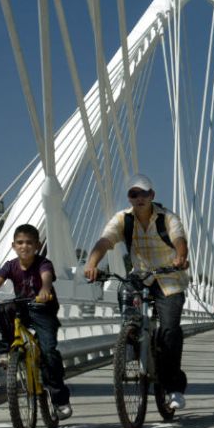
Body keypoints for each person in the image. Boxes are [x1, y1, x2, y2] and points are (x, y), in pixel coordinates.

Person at [84, 174, 190, 410]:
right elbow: (105, 241)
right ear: (129, 198)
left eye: (144, 193)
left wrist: (181, 256)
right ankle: (132, 343)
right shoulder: (123, 219)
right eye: (134, 194)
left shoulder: (168, 217)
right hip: (140, 276)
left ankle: (174, 388)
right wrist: (92, 263)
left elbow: (179, 238)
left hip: (169, 277)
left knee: (170, 330)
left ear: (152, 195)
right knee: (126, 299)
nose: (139, 198)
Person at [0, 224, 73, 420]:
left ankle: (60, 399)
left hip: (43, 310)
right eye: (20, 243)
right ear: (13, 245)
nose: (24, 246)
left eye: (29, 243)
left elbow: (46, 278)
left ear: (37, 245)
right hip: (23, 306)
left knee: (48, 352)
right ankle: (5, 350)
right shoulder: (10, 265)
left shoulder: (43, 263)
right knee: (3, 309)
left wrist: (45, 290)